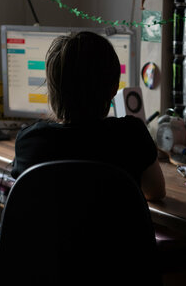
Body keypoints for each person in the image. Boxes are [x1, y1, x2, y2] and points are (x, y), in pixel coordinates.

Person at [10, 31, 166, 201]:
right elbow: (156, 192)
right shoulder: (131, 135)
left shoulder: (29, 141)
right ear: (114, 88)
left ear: (53, 90)